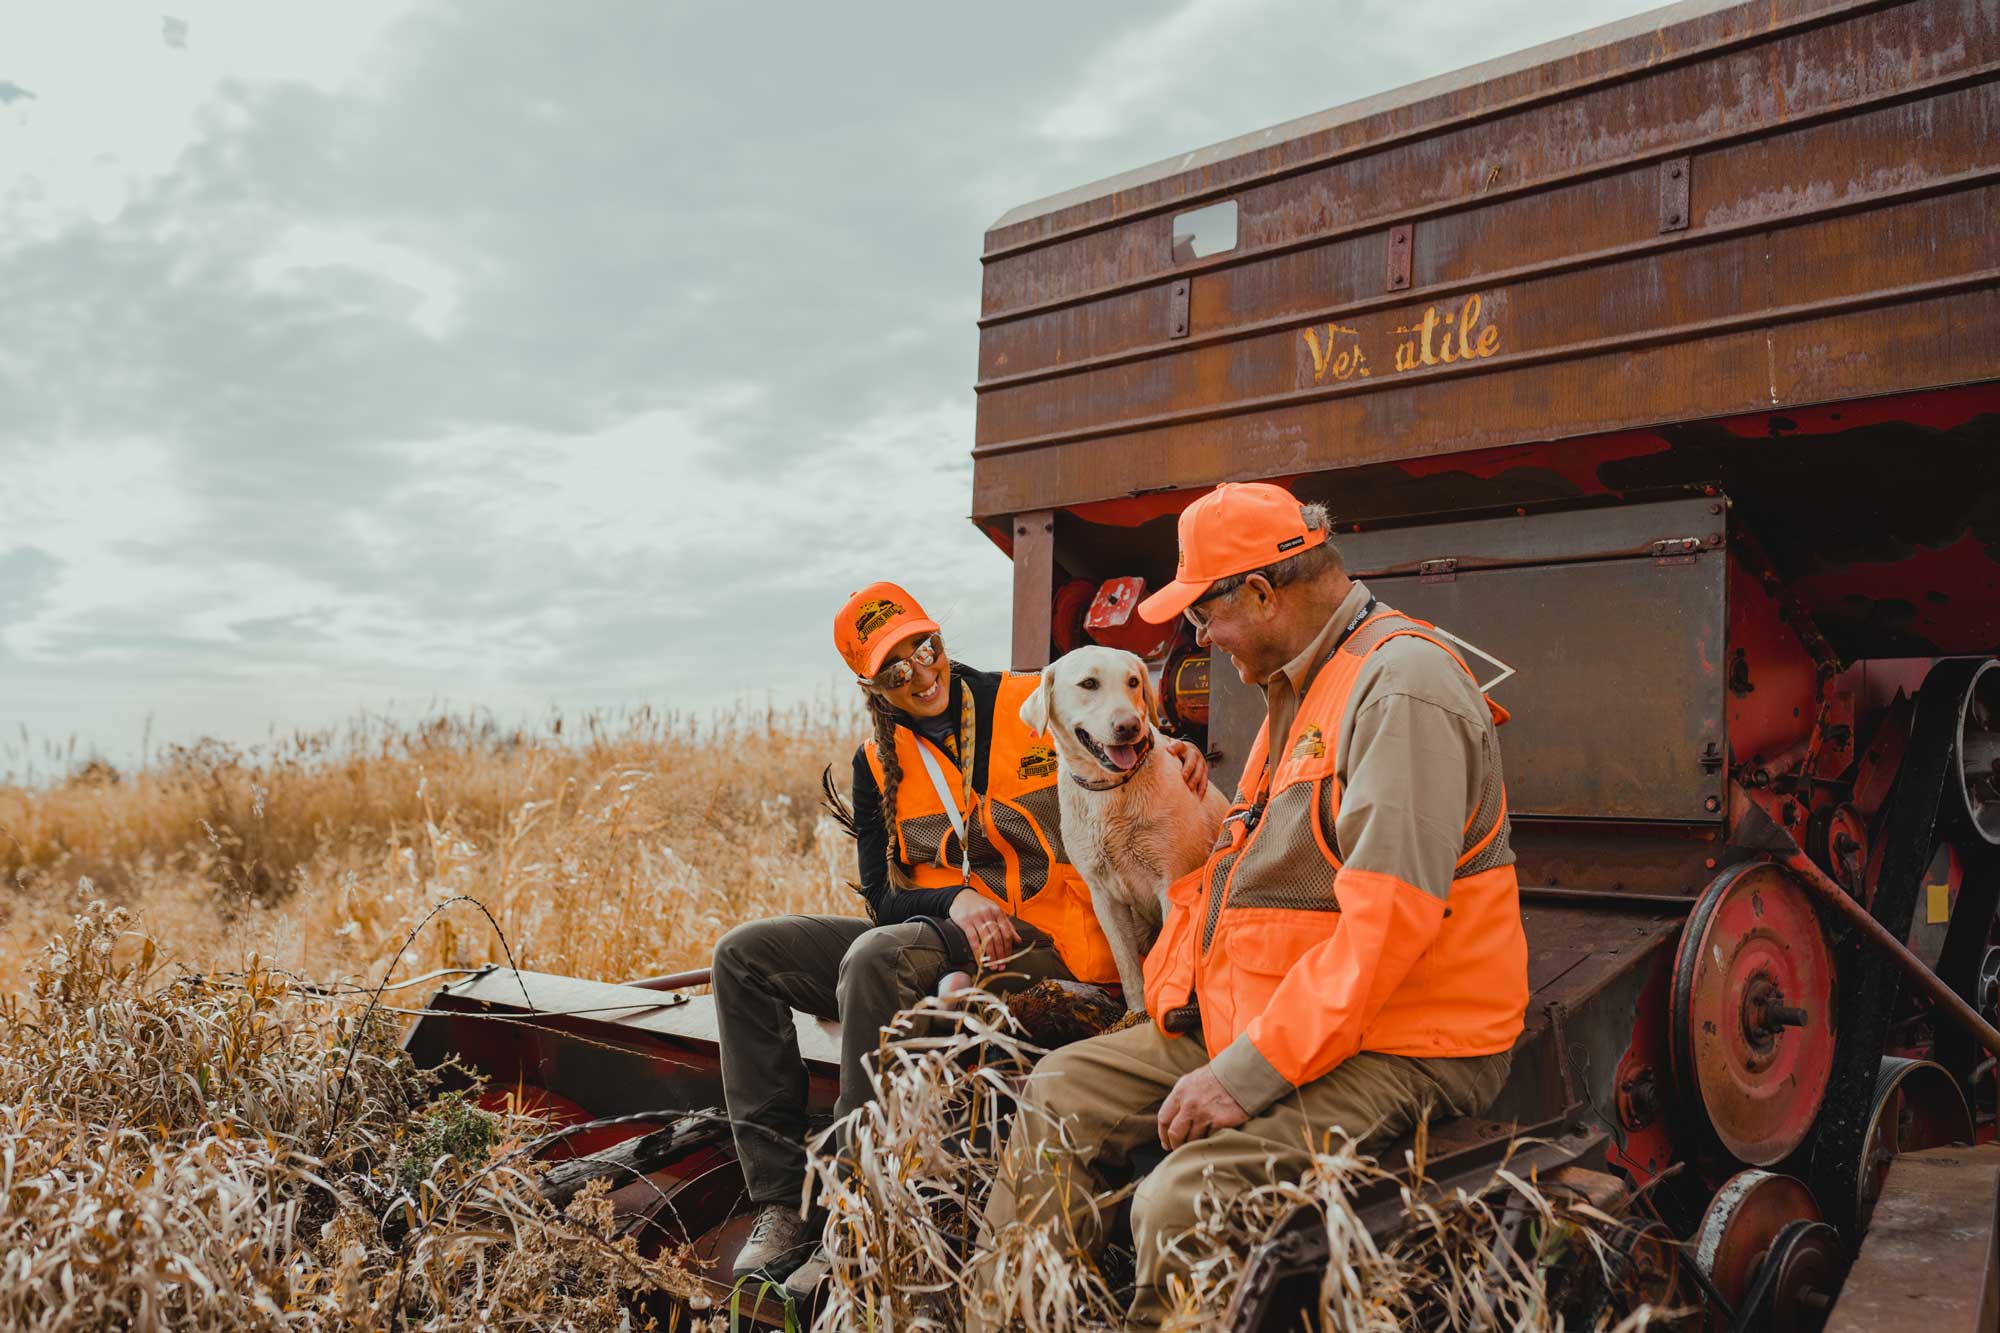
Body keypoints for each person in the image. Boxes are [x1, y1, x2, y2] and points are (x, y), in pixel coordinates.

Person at [974, 484, 1530, 1330]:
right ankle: (1009, 1316)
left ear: (1264, 594)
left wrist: (1240, 1076)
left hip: (1410, 1035)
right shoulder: (1296, 686)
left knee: (1177, 1200)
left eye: (1203, 616)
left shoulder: (1399, 689)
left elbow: (1387, 935)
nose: (1197, 639)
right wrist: (1163, 1007)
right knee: (1060, 1090)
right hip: (1286, 1011)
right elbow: (1257, 877)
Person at [714, 581, 1209, 1284]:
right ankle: (781, 1203)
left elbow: (1124, 728)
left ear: (939, 636)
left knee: (874, 956)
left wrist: (1179, 751)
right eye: (895, 668)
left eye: (925, 645)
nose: (920, 671)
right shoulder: (874, 761)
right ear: (872, 685)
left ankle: (856, 1210)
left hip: (1054, 935)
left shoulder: (1028, 700)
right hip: (949, 931)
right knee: (743, 954)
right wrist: (956, 899)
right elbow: (884, 894)